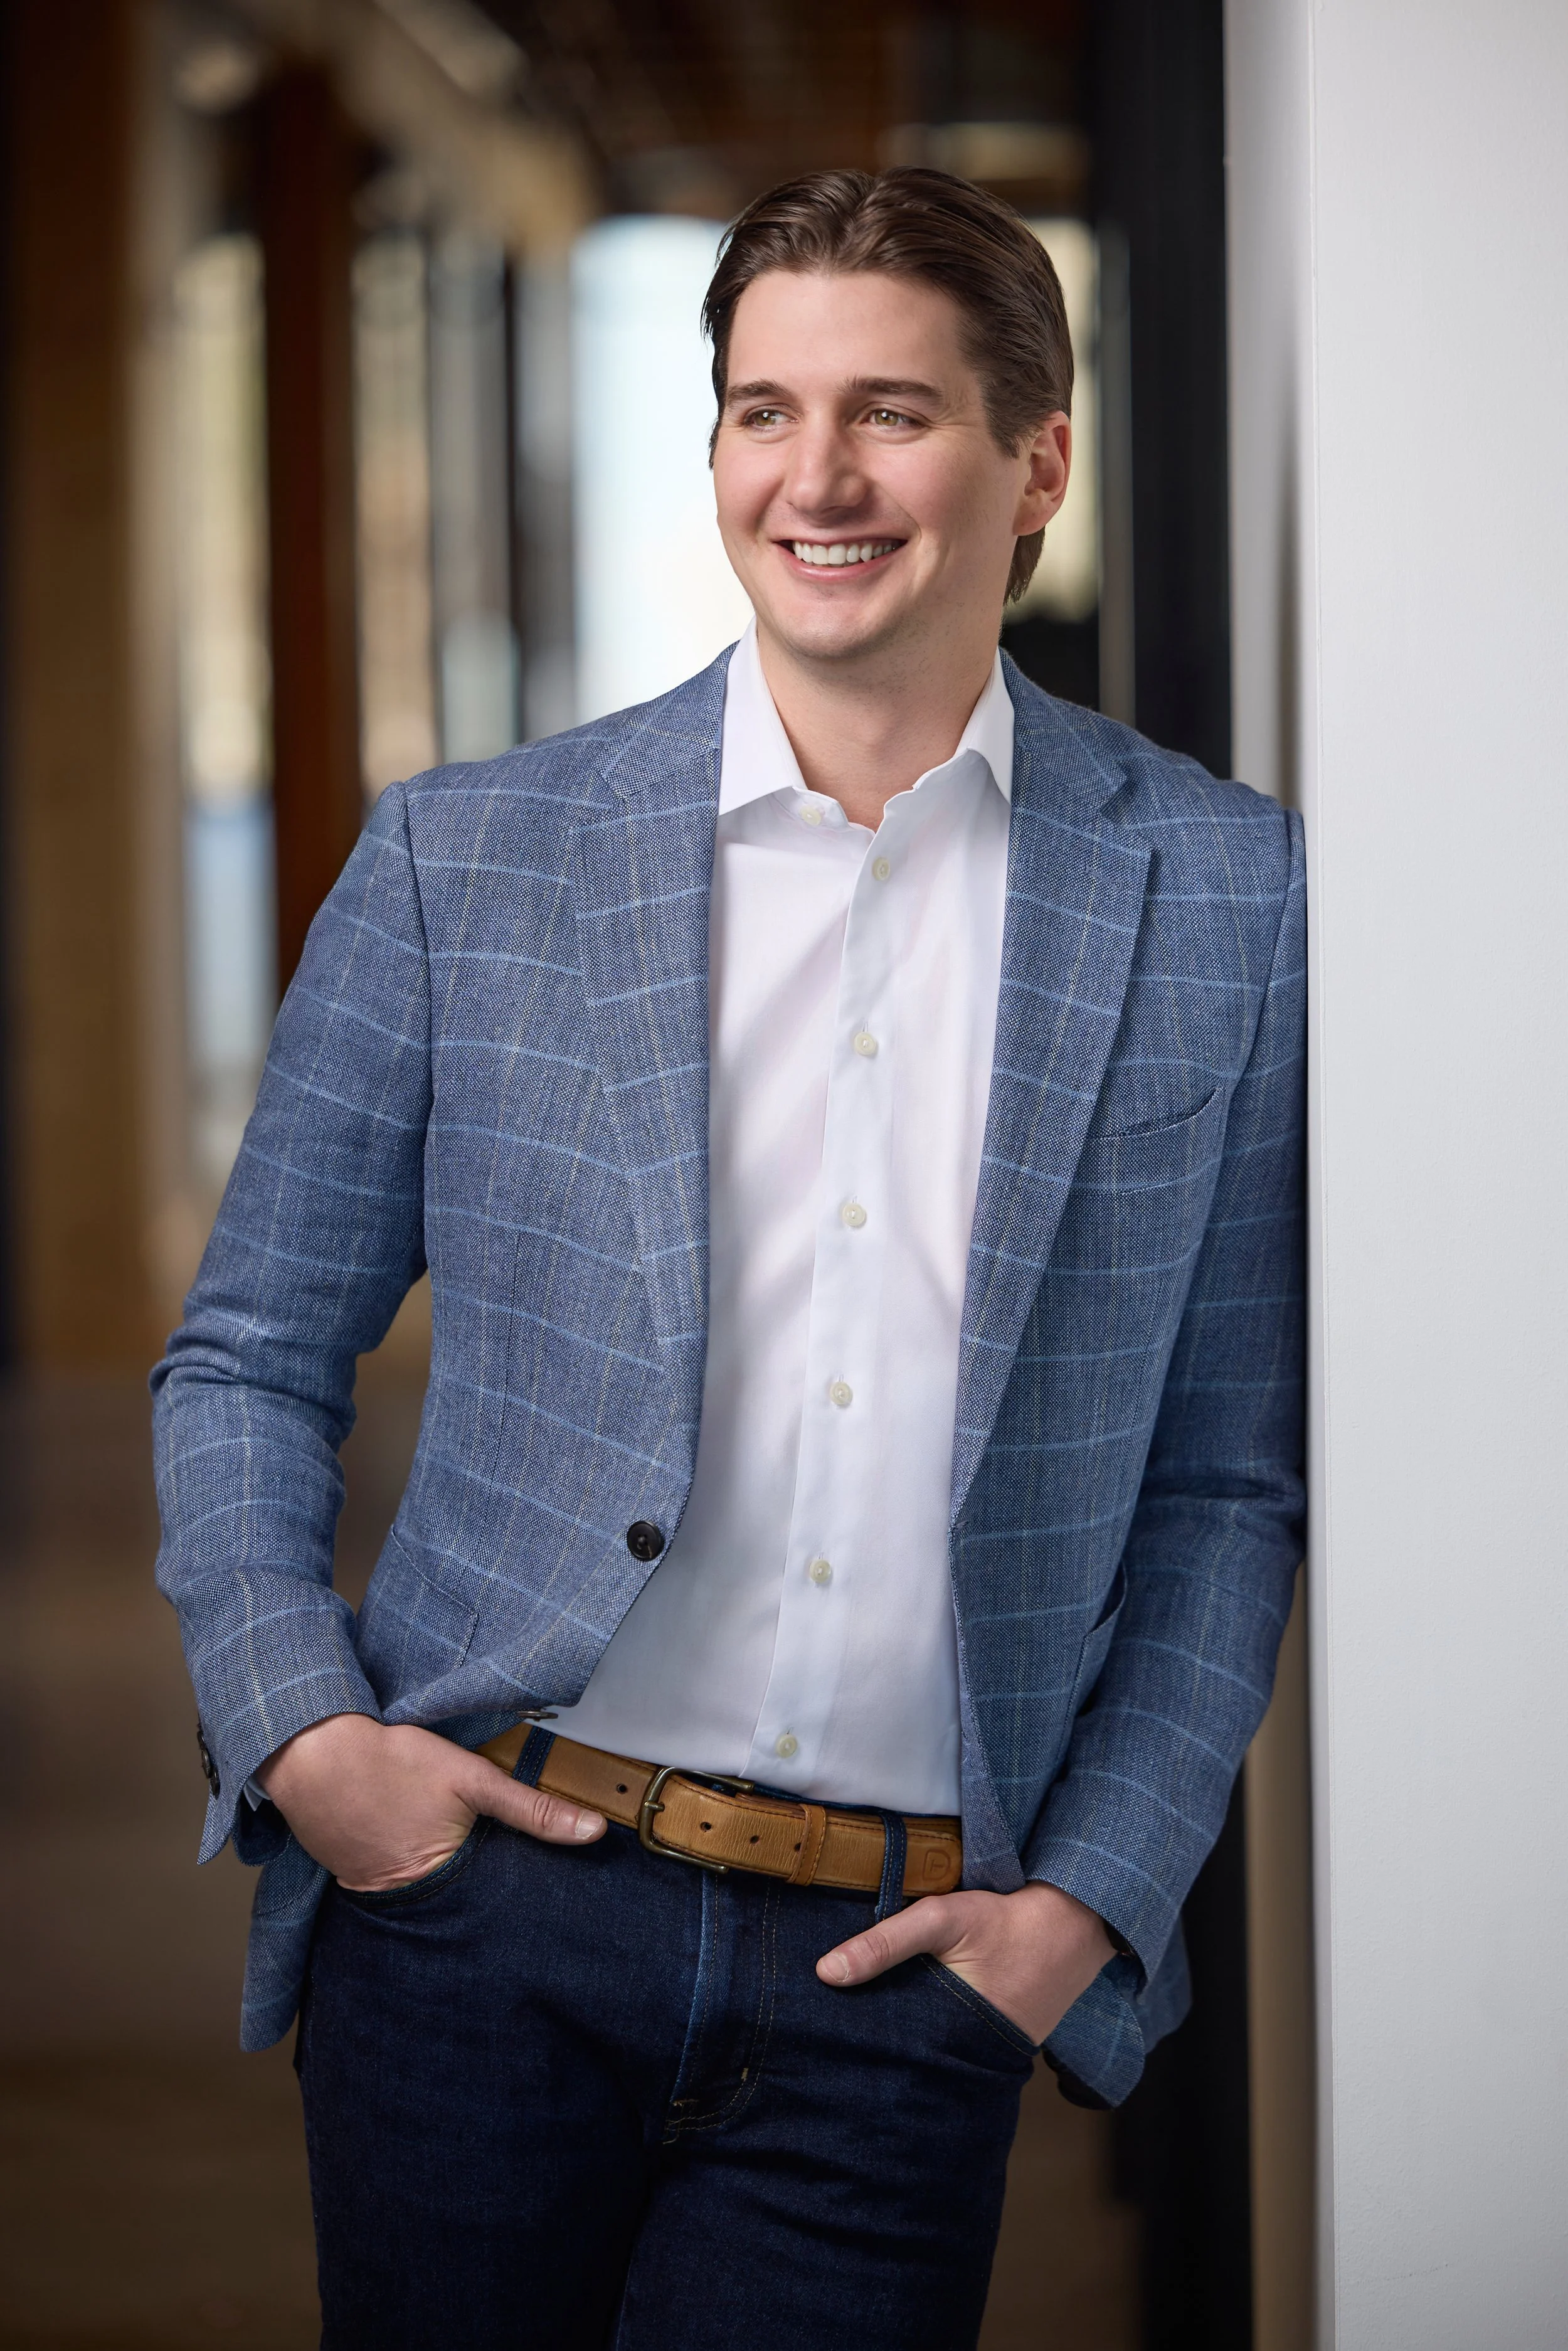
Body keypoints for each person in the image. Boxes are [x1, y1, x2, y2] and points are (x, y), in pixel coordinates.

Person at [153, 167, 1305, 2350]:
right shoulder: (469, 859)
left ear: (1033, 457)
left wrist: (1085, 1899)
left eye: (891, 410)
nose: (819, 476)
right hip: (477, 1918)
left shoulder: (1228, 902)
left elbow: (1223, 1478)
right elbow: (248, 1355)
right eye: (762, 411)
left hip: (901, 1980)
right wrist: (303, 1732)